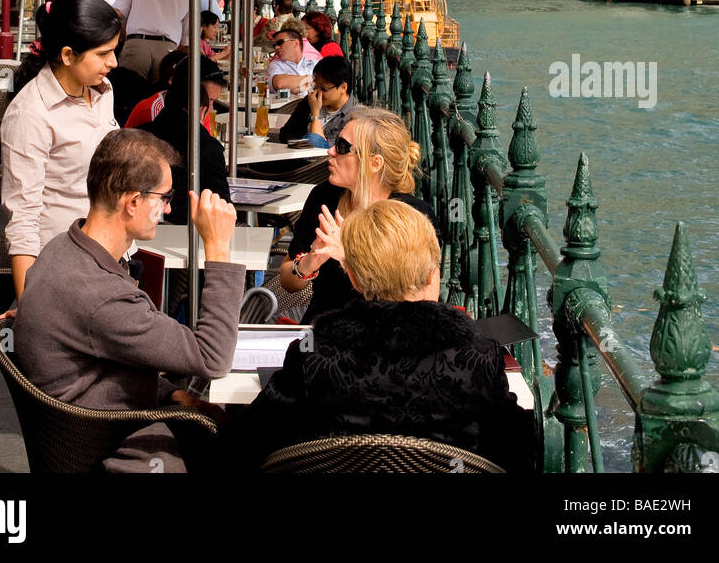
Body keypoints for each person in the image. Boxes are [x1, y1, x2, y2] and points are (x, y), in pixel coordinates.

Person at [223, 202, 534, 472]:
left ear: (355, 280)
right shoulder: (479, 357)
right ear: (430, 274)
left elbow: (248, 443)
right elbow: (517, 451)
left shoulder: (315, 356)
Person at [11, 128, 244, 472]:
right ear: (133, 202)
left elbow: (99, 369)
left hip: (80, 431)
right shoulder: (103, 296)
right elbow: (213, 358)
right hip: (107, 445)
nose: (167, 208)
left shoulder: (61, 247)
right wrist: (219, 249)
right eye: (164, 197)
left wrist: (170, 394)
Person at [1, 0, 121, 299]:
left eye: (115, 51)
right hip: (64, 273)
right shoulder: (31, 113)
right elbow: (23, 219)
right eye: (104, 53)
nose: (114, 62)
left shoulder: (102, 92)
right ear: (67, 55)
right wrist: (30, 309)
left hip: (113, 260)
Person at [277, 107, 438, 320]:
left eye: (343, 147)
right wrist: (309, 263)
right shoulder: (323, 197)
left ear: (375, 163)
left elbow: (427, 299)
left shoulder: (412, 215)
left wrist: (348, 258)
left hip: (385, 336)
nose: (330, 151)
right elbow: (287, 281)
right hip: (323, 332)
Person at [133, 59, 230, 223]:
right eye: (210, 101)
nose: (213, 108)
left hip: (142, 222)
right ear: (201, 107)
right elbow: (220, 204)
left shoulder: (138, 135)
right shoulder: (205, 145)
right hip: (190, 230)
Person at [115, 0, 191, 87]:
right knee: (158, 100)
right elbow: (186, 41)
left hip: (136, 44)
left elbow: (118, 12)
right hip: (167, 50)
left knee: (126, 96)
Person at [278, 55, 357, 148]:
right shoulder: (310, 100)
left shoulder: (353, 116)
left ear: (343, 87)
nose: (317, 92)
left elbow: (323, 149)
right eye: (315, 86)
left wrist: (315, 113)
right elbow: (286, 133)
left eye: (323, 88)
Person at [265, 24, 318, 98]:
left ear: (296, 43)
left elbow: (328, 84)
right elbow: (280, 83)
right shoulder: (275, 65)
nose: (276, 47)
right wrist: (313, 79)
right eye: (274, 45)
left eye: (280, 42)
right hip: (289, 109)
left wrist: (299, 88)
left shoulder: (315, 63)